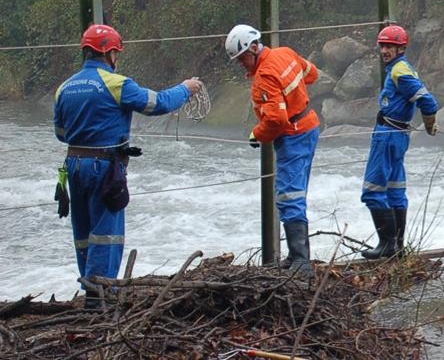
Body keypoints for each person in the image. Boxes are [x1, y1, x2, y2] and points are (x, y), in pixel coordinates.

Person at [54, 24, 203, 308]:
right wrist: (187, 89)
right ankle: (100, 298)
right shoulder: (117, 84)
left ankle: (89, 290)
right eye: (116, 53)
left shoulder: (64, 88)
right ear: (110, 53)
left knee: (84, 233)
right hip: (104, 167)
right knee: (106, 233)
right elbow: (157, 104)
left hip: (73, 166)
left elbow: (60, 133)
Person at [225, 24, 321, 272]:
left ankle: (301, 261)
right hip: (310, 126)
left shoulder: (263, 78)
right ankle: (295, 256)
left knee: (289, 195)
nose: (242, 64)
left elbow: (276, 121)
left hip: (293, 135)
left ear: (254, 48)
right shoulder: (285, 52)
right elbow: (311, 74)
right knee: (295, 191)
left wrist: (257, 134)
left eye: (243, 58)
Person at [360, 25, 440, 259]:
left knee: (372, 191)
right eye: (382, 46)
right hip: (398, 136)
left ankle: (386, 245)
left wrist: (429, 123)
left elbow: (427, 101)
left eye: (390, 46)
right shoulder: (401, 67)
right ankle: (398, 248)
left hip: (387, 135)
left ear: (401, 48)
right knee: (395, 191)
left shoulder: (400, 72)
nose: (384, 50)